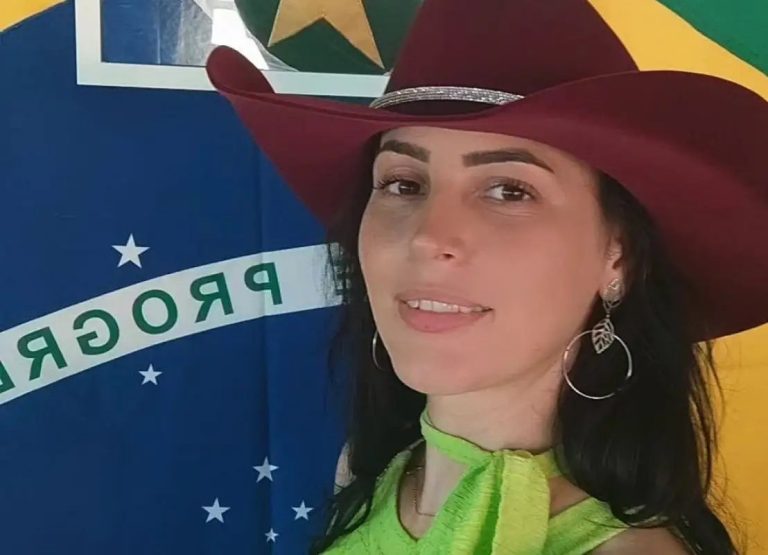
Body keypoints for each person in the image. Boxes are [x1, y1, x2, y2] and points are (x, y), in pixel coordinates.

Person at [204, 0, 768, 552]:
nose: (428, 238)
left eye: (510, 191)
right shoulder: (367, 474)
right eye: (403, 183)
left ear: (618, 259)